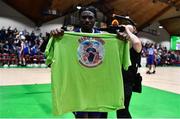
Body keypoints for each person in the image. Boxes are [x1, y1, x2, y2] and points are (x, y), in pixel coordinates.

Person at [100, 24, 142, 118]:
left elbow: (137, 43)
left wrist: (127, 29)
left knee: (122, 110)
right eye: (123, 31)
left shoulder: (135, 46)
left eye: (129, 31)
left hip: (126, 83)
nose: (125, 33)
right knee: (103, 108)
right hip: (110, 81)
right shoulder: (116, 44)